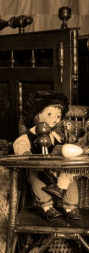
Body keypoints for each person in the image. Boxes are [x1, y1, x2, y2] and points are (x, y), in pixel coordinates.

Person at [13, 90, 81, 221]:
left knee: (70, 177)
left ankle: (71, 208)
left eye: (58, 116)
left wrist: (68, 143)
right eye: (49, 114)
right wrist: (25, 153)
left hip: (57, 169)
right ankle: (48, 208)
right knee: (35, 175)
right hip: (40, 169)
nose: (54, 119)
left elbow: (64, 148)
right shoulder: (29, 136)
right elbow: (19, 144)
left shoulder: (56, 136)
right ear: (37, 116)